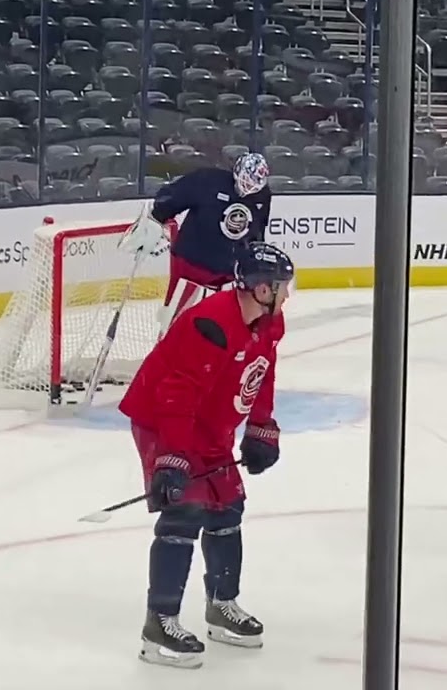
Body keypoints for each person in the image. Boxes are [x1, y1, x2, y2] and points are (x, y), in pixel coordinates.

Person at [118, 241, 293, 670]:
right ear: (260, 288)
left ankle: (222, 604)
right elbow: (176, 396)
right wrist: (172, 459)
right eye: (282, 287)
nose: (288, 294)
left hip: (210, 425)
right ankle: (158, 625)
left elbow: (262, 372)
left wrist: (261, 427)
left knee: (228, 508)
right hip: (165, 421)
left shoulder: (270, 321)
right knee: (185, 512)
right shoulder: (209, 325)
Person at [119, 153, 273, 332]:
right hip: (191, 262)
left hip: (228, 270)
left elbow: (258, 229)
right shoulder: (209, 180)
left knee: (222, 323)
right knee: (176, 317)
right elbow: (174, 195)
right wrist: (155, 217)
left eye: (255, 184)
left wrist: (252, 260)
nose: (249, 186)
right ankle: (168, 351)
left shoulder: (263, 196)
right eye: (247, 179)